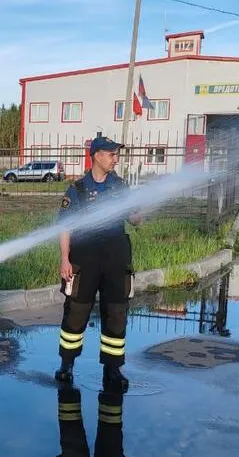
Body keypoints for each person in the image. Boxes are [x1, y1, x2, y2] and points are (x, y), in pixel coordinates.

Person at [54, 136, 140, 390]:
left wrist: (139, 213)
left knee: (116, 312)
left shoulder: (121, 187)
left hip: (116, 256)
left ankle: (113, 369)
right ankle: (66, 365)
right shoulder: (77, 190)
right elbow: (65, 226)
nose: (116, 159)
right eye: (111, 154)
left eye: (117, 155)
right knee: (76, 311)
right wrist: (65, 259)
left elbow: (135, 219)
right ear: (97, 156)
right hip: (84, 256)